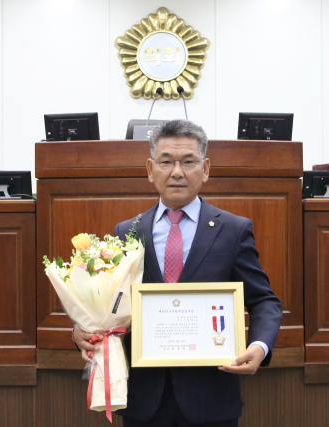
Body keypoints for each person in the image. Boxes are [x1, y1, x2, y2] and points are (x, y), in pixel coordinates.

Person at [74, 119, 283, 427]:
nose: (176, 172)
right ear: (150, 169)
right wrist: (82, 331)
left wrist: (259, 346)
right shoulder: (127, 233)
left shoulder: (233, 230)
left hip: (210, 398)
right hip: (143, 400)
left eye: (188, 162)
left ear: (206, 168)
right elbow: (107, 303)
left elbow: (264, 300)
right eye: (166, 162)